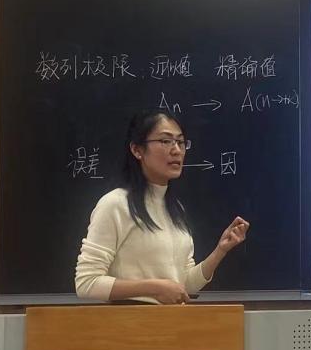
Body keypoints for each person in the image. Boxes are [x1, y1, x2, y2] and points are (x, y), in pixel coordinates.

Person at [75, 109, 249, 304]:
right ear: (137, 150)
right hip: (131, 321)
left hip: (171, 321)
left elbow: (183, 286)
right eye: (166, 141)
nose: (176, 150)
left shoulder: (176, 209)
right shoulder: (115, 204)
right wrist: (155, 288)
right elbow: (87, 283)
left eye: (180, 142)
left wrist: (220, 251)